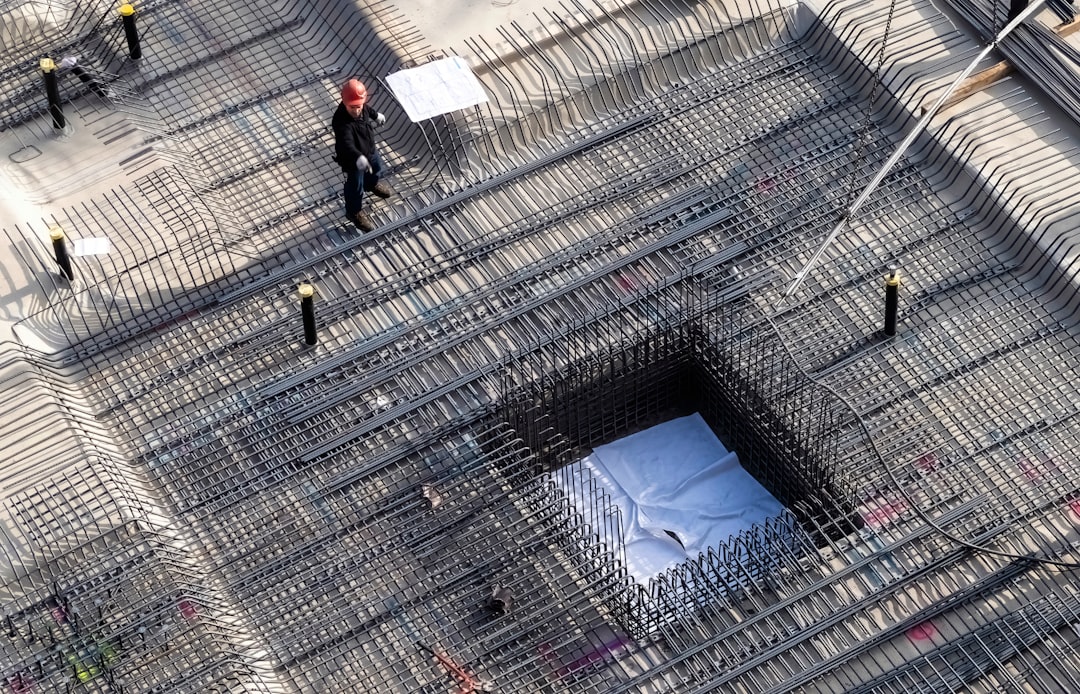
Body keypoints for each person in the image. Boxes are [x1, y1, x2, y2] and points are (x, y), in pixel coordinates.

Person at [332, 78, 392, 231]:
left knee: (376, 168)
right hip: (353, 160)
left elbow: (367, 109)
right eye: (352, 107)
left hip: (369, 150)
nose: (357, 110)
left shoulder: (361, 106)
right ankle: (354, 213)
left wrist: (376, 115)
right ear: (344, 102)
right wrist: (358, 157)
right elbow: (347, 144)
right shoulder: (340, 121)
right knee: (355, 187)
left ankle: (371, 184)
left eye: (358, 106)